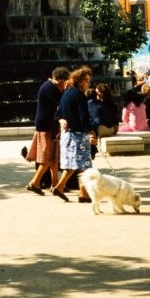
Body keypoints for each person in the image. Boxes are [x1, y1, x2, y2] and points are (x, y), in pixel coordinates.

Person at [51, 66, 97, 203]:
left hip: (67, 135)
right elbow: (83, 117)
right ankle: (80, 193)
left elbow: (57, 113)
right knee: (85, 166)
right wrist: (91, 133)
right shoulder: (79, 96)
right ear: (79, 80)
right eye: (86, 80)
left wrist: (61, 120)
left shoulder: (66, 93)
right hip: (78, 135)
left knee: (74, 165)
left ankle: (64, 188)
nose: (88, 83)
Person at [24, 66, 70, 195]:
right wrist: (66, 91)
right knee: (47, 157)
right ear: (60, 79)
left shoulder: (50, 86)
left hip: (50, 125)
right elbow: (59, 104)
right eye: (65, 80)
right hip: (46, 126)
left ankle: (55, 183)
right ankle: (34, 183)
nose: (66, 83)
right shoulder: (50, 88)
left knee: (54, 157)